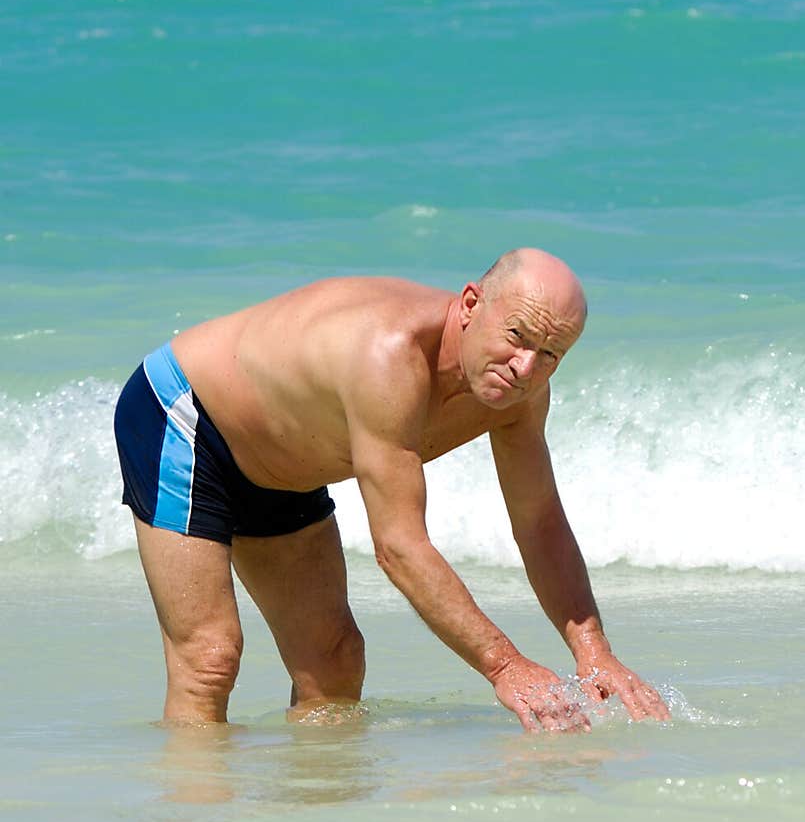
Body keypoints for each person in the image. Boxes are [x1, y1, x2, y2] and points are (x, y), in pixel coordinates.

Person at [114, 248, 669, 731]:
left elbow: (539, 520)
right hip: (186, 417)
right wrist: (506, 666)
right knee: (210, 658)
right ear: (472, 305)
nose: (525, 367)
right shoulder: (390, 357)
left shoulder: (519, 394)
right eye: (517, 336)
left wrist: (593, 653)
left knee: (332, 659)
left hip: (287, 462)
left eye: (550, 354)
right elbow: (399, 547)